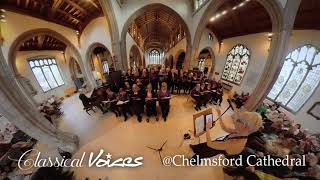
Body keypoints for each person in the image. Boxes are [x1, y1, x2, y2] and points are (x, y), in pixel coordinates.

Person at [190, 110, 263, 161]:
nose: (235, 121)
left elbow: (210, 144)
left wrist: (207, 129)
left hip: (218, 149)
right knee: (204, 145)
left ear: (245, 126)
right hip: (222, 143)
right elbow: (225, 128)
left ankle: (193, 161)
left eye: (239, 120)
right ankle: (195, 148)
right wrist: (219, 116)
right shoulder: (240, 132)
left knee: (203, 153)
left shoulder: (237, 143)